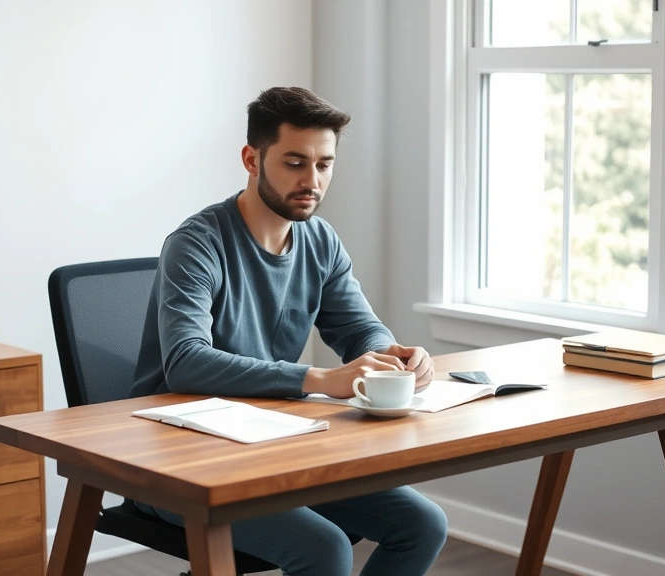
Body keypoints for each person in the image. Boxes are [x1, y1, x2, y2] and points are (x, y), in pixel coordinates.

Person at [129, 86, 448, 576]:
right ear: (251, 160)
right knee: (326, 549)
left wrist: (391, 354)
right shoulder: (196, 245)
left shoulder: (320, 240)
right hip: (178, 461)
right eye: (295, 163)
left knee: (423, 525)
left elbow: (357, 326)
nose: (312, 181)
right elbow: (186, 361)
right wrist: (318, 379)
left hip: (271, 443)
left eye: (324, 164)